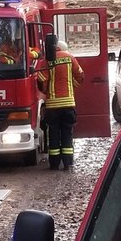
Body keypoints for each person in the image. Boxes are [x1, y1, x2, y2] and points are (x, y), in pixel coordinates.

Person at [37, 39, 84, 170]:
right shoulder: (70, 58)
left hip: (53, 105)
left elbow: (41, 79)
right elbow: (81, 76)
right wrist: (71, 87)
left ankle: (54, 164)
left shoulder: (48, 60)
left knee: (53, 134)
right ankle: (68, 163)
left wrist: (45, 91)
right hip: (68, 103)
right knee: (67, 133)